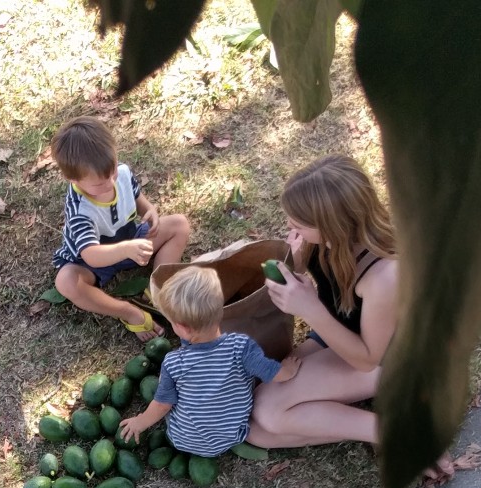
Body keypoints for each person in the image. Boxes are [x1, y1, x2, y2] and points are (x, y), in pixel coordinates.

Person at [247, 154, 454, 476]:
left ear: (333, 225)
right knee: (256, 429)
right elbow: (330, 293)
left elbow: (367, 359)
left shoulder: (385, 275)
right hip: (346, 331)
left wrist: (310, 309)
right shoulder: (330, 241)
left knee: (269, 411)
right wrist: (299, 261)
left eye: (299, 224)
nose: (291, 228)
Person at [118, 266, 300, 455]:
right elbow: (272, 372)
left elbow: (163, 405)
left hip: (182, 439)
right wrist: (288, 370)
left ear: (182, 328)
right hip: (230, 437)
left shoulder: (173, 363)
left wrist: (139, 422)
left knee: (168, 395)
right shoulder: (241, 347)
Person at [50, 116, 190, 342]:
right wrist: (125, 249)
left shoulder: (121, 173)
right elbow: (91, 255)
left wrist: (150, 210)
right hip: (91, 263)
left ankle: (157, 289)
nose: (110, 183)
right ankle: (129, 312)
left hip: (131, 240)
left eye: (112, 172)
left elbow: (136, 197)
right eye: (99, 184)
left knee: (179, 224)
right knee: (66, 281)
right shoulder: (80, 210)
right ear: (73, 180)